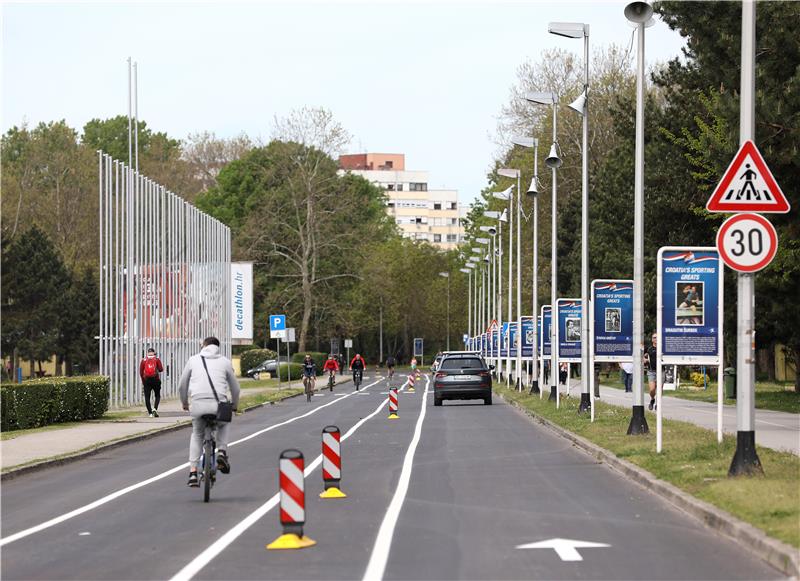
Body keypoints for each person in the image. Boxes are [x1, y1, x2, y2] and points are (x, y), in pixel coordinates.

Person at [179, 337, 240, 487]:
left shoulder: (193, 360)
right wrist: (234, 405)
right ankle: (221, 452)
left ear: (203, 346)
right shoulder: (225, 361)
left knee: (197, 434)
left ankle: (193, 472)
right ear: (218, 347)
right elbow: (235, 388)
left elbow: (182, 385)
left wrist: (185, 403)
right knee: (224, 423)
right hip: (218, 404)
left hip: (198, 404)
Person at [139, 348, 164, 417]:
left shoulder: (143, 360)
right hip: (156, 380)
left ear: (147, 353)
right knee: (157, 395)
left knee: (147, 397)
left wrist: (143, 381)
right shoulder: (157, 359)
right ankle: (155, 409)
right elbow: (161, 369)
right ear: (154, 353)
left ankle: (150, 413)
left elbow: (141, 372)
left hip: (146, 380)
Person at [645, 333, 658, 410]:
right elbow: (643, 356)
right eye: (654, 337)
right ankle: (652, 399)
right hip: (651, 371)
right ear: (652, 339)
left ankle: (657, 404)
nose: (656, 339)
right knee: (652, 389)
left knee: (659, 389)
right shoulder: (649, 349)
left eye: (657, 337)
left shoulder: (662, 348)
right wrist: (644, 360)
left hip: (661, 371)